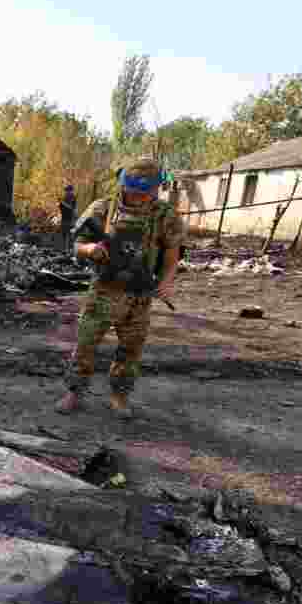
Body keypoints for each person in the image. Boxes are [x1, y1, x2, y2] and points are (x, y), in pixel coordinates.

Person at [57, 157, 184, 418]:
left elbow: (172, 255)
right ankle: (74, 391)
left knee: (131, 349)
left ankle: (119, 395)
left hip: (139, 295)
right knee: (85, 343)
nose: (140, 197)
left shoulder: (165, 215)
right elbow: (77, 244)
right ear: (124, 185)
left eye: (147, 193)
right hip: (103, 290)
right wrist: (90, 249)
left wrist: (166, 283)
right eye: (135, 191)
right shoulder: (103, 208)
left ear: (155, 189)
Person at [60, 184, 77, 253]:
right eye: (66, 191)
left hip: (70, 219)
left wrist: (64, 204)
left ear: (71, 191)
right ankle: (65, 248)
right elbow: (62, 208)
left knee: (70, 235)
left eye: (68, 191)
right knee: (64, 233)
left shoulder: (73, 197)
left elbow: (72, 208)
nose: (66, 192)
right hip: (64, 218)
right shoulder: (64, 198)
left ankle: (70, 249)